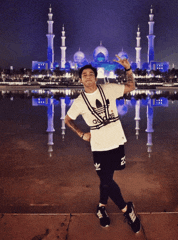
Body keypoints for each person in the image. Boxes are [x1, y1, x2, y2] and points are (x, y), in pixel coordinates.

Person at [65, 55, 141, 234]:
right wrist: (82, 134)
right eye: (84, 74)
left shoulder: (108, 89)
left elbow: (131, 86)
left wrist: (128, 68)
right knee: (106, 180)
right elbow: (67, 120)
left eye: (91, 74)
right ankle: (126, 209)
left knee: (106, 180)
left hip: (116, 142)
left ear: (96, 77)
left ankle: (101, 207)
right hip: (99, 146)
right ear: (80, 79)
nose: (88, 76)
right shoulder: (79, 102)